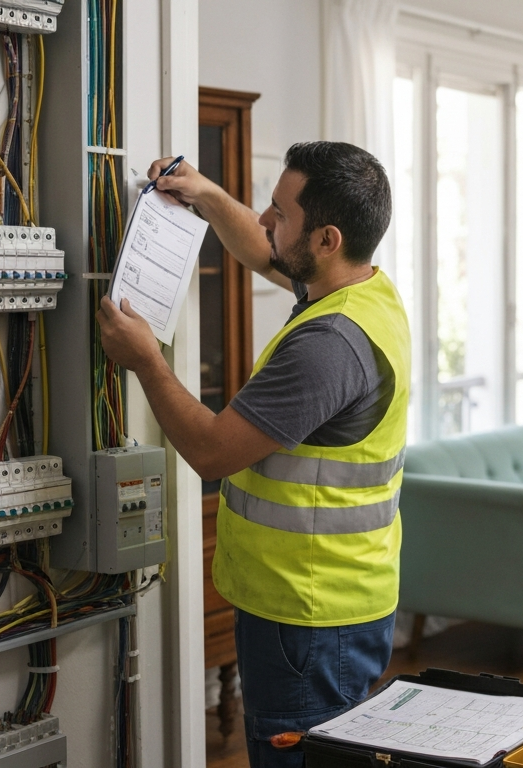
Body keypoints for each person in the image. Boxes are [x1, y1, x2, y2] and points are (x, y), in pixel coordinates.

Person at [96, 141, 408, 767]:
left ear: (326, 238)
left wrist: (147, 361)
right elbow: (263, 251)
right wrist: (206, 195)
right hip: (324, 604)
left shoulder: (330, 346)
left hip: (310, 615)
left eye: (280, 212)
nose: (266, 221)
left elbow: (213, 452)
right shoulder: (365, 290)